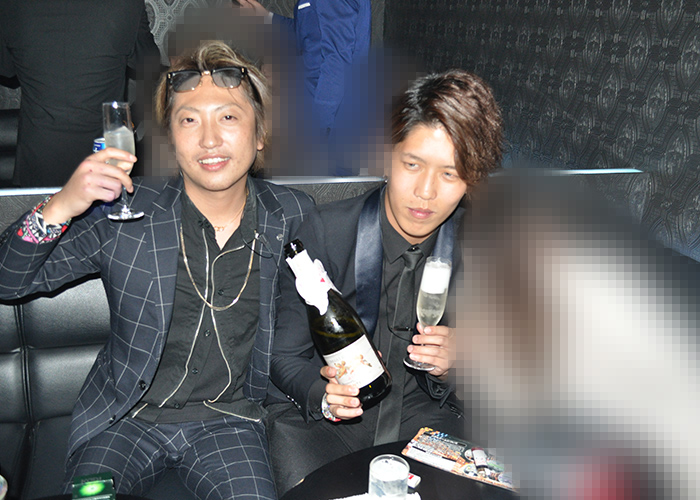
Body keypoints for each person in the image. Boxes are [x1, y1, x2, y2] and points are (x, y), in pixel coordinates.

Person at [0, 40, 314, 499]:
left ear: (261, 133)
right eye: (189, 120)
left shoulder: (293, 215)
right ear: (170, 138)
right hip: (124, 420)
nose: (209, 139)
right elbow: (8, 281)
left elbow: (325, 317)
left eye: (228, 117)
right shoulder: (125, 215)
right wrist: (62, 204)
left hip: (230, 421)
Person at [264, 69, 504, 494]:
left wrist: (460, 363)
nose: (426, 192)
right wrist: (323, 395)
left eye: (450, 174)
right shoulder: (326, 231)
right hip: (326, 425)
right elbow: (283, 356)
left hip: (430, 423)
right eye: (412, 164)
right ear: (384, 155)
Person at [0, 0, 160, 187]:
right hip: (103, 158)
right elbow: (147, 62)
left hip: (39, 157)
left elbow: (6, 69)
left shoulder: (10, 4)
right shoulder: (125, 3)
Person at [238, 0, 372, 175]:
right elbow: (313, 35)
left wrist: (313, 130)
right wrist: (267, 17)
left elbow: (336, 66)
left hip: (329, 133)